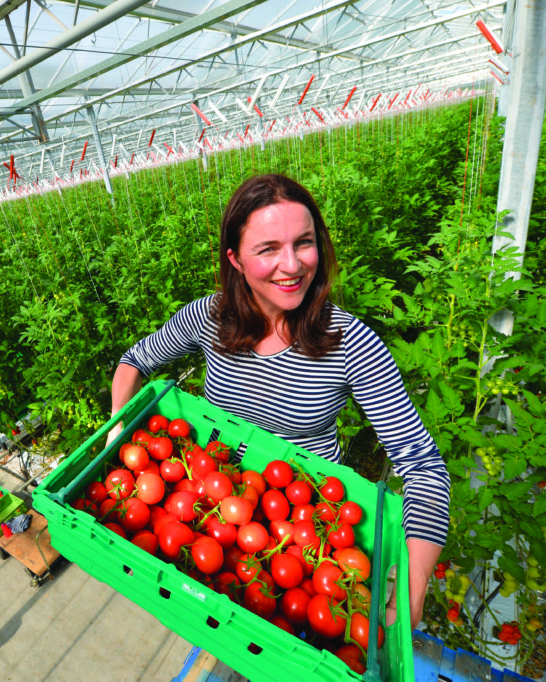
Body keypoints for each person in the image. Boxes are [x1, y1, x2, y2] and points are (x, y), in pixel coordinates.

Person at [110, 174, 451, 629]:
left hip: (307, 518)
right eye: (268, 248)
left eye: (304, 243)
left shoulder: (349, 342)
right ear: (234, 259)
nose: (291, 265)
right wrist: (117, 430)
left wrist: (412, 591)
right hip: (209, 501)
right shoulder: (210, 318)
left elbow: (423, 464)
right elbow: (135, 361)